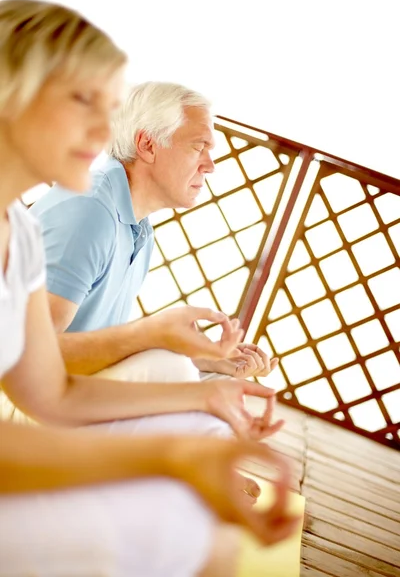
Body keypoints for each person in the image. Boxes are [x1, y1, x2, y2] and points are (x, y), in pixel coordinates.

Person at [0, 0, 299, 576]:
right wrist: (167, 456)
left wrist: (204, 392)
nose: (104, 128)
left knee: (200, 530)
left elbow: (52, 393)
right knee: (184, 533)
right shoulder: (86, 208)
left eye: (111, 107)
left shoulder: (23, 237)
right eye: (85, 101)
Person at [30, 81, 279, 383]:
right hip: (20, 397)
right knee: (174, 372)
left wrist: (203, 357)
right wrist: (153, 339)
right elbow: (25, 352)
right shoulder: (89, 212)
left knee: (212, 379)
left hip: (61, 387)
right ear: (148, 145)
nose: (211, 166)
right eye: (199, 146)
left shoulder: (138, 229)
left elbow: (93, 340)